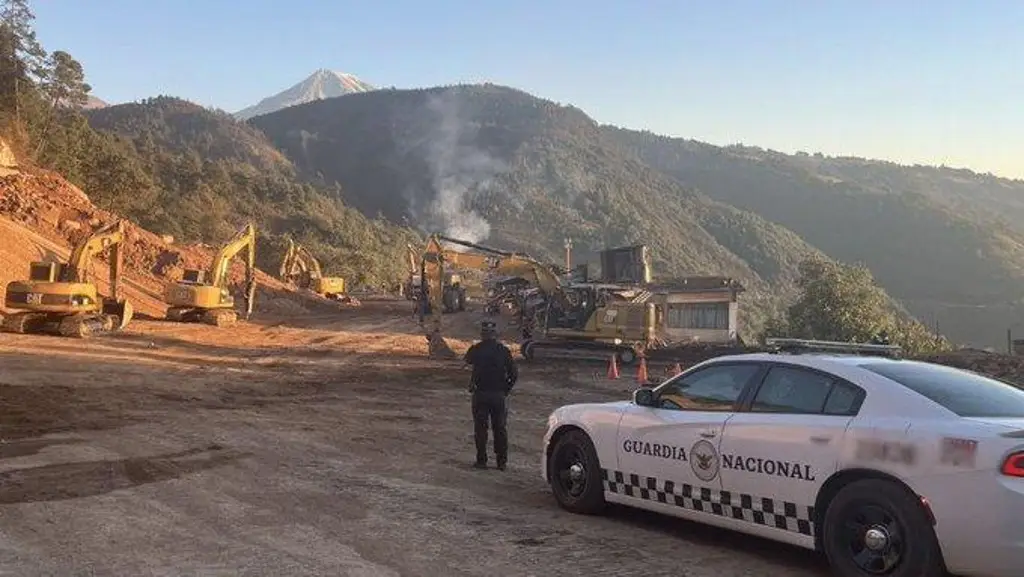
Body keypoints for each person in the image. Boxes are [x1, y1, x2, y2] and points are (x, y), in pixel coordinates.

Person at [464, 319, 518, 470]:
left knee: (480, 429)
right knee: (500, 429)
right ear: (495, 334)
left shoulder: (476, 349)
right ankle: (502, 463)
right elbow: (514, 374)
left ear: (482, 334)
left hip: (480, 394)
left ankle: (482, 461)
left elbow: (467, 360)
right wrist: (505, 390)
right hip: (498, 395)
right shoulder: (503, 350)